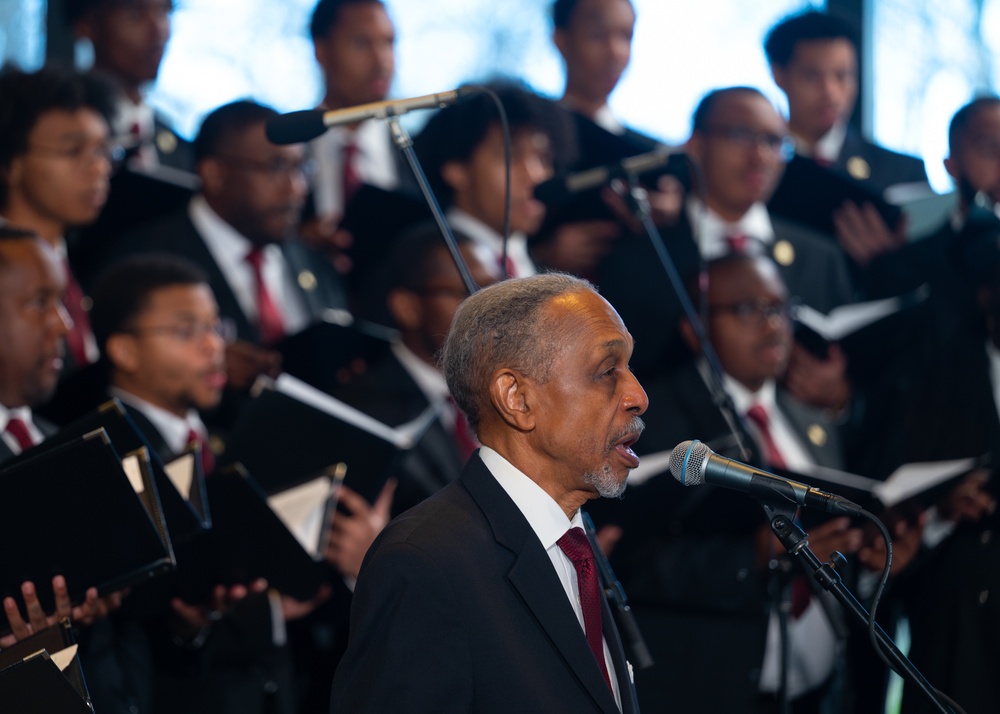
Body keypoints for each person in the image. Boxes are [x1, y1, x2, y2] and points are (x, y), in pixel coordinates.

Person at [330, 273, 645, 712]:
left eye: (629, 368)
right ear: (516, 398)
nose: (637, 395)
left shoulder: (575, 546)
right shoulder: (424, 561)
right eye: (607, 371)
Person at [607, 252, 866, 713]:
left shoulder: (811, 409)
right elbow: (630, 560)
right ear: (695, 328)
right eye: (747, 310)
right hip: (710, 686)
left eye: (779, 308)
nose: (772, 326)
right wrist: (754, 557)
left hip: (820, 688)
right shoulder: (652, 421)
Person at [598, 86, 854, 379]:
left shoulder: (821, 259)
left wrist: (838, 399)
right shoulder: (639, 259)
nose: (760, 156)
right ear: (696, 145)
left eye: (773, 141)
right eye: (740, 136)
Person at [107, 100, 348, 397]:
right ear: (215, 173)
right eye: (277, 167)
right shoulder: (145, 261)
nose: (296, 188)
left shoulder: (315, 263)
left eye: (302, 168)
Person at [765, 9, 929, 266]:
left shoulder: (902, 171)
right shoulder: (760, 168)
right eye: (812, 76)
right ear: (779, 75)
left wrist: (891, 262)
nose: (830, 92)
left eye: (843, 76)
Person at [0, 64, 119, 372]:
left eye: (103, 151)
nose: (98, 169)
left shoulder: (89, 265)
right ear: (11, 163)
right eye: (73, 150)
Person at [415, 81, 576, 280]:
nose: (536, 176)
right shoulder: (426, 262)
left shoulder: (543, 268)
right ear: (456, 169)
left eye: (544, 159)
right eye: (511, 156)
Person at [69, 0, 194, 171]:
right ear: (87, 25)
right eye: (135, 14)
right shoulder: (62, 124)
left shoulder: (176, 145)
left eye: (164, 11)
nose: (158, 29)